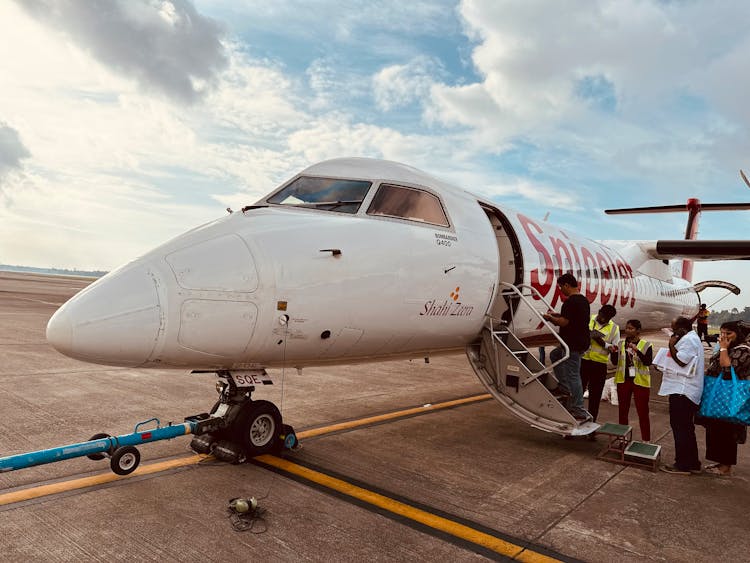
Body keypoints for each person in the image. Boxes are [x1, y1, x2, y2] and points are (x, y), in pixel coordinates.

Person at [655, 316, 704, 475]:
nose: (673, 332)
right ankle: (693, 463)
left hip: (683, 391)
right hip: (684, 390)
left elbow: (682, 361)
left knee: (680, 428)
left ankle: (682, 465)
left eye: (674, 329)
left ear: (682, 329)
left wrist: (671, 345)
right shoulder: (691, 338)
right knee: (687, 429)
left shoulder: (689, 340)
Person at [701, 321, 750, 476]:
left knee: (727, 431)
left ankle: (726, 467)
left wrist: (723, 348)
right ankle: (720, 461)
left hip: (730, 397)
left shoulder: (744, 351)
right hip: (720, 395)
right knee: (717, 430)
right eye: (722, 333)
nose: (725, 337)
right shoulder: (731, 348)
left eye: (729, 333)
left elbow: (727, 369)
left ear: (738, 334)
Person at [542, 273, 592, 422]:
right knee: (555, 355)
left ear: (566, 285)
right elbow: (573, 318)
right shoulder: (583, 300)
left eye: (560, 287)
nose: (560, 290)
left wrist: (550, 318)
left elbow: (564, 322)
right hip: (581, 341)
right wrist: (557, 314)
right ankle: (564, 386)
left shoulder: (570, 302)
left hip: (572, 344)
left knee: (574, 375)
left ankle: (578, 408)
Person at [609, 319, 652, 441]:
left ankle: (646, 440)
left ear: (638, 331)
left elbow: (648, 362)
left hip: (640, 382)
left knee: (643, 412)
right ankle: (623, 439)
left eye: (631, 328)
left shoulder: (646, 344)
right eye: (627, 328)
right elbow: (614, 362)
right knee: (623, 411)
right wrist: (613, 352)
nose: (628, 330)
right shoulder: (621, 344)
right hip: (624, 381)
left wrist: (637, 350)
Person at [581, 304, 620, 423]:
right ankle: (574, 421)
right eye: (601, 315)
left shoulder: (614, 328)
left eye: (605, 318)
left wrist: (603, 343)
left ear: (610, 318)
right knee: (577, 393)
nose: (601, 319)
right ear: (599, 312)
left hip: (599, 365)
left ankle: (591, 423)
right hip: (584, 361)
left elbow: (615, 347)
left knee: (595, 396)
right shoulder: (588, 319)